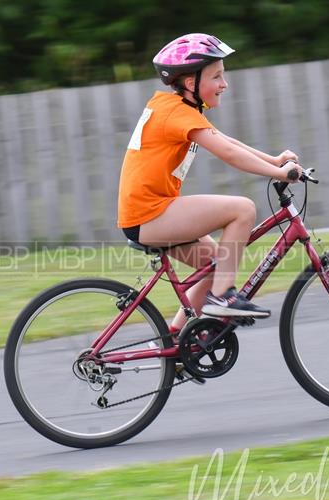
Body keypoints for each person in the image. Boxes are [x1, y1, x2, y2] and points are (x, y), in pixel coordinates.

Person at [117, 33, 303, 336]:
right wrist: (283, 174)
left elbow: (225, 141)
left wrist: (274, 161)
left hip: (150, 214)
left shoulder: (178, 109)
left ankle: (176, 340)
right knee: (242, 210)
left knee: (219, 263)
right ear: (191, 82)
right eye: (216, 76)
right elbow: (228, 153)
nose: (224, 84)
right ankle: (222, 297)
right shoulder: (174, 113)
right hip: (149, 215)